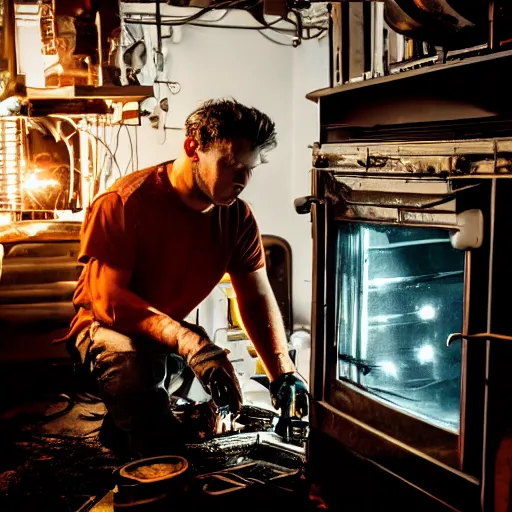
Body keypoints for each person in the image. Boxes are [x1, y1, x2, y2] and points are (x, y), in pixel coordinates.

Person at [62, 98, 308, 459]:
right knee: (138, 382)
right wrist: (191, 343)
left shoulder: (236, 218)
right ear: (193, 147)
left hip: (168, 334)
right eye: (232, 165)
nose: (242, 180)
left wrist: (283, 372)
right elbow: (109, 302)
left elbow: (255, 298)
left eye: (250, 169)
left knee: (219, 392)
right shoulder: (125, 202)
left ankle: (124, 429)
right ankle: (156, 467)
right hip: (104, 330)